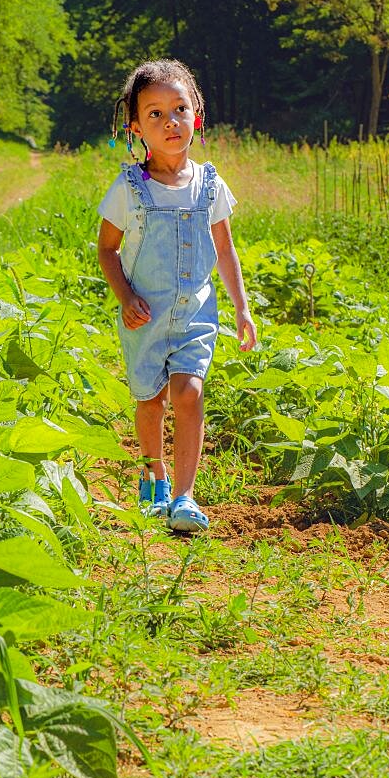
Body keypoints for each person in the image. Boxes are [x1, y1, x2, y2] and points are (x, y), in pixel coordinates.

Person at [97, 59, 257, 533]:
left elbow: (225, 250)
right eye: (155, 114)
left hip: (194, 315)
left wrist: (242, 308)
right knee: (151, 400)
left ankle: (185, 496)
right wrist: (125, 297)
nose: (170, 122)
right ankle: (154, 481)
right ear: (135, 129)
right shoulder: (129, 189)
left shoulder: (210, 185)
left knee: (190, 392)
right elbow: (107, 249)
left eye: (179, 109)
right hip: (144, 318)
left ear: (197, 116)